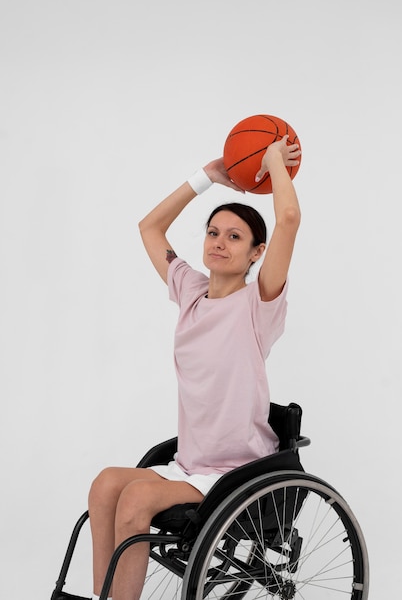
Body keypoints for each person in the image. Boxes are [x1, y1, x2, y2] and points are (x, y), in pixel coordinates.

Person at [88, 135, 301, 600]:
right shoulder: (190, 290)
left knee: (137, 499)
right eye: (213, 232)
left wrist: (272, 164)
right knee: (106, 484)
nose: (219, 243)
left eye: (235, 237)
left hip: (238, 470)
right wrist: (205, 177)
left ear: (256, 253)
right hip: (191, 463)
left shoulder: (258, 303)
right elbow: (149, 228)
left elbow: (287, 218)